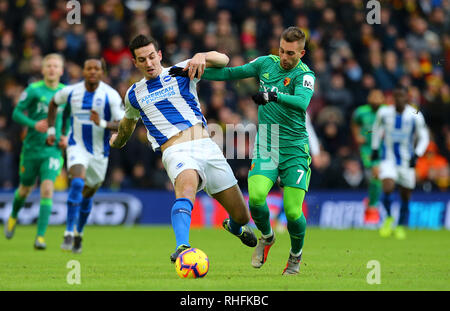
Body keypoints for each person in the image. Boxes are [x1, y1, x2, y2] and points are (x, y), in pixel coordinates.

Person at [171, 26, 315, 275]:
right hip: (267, 143)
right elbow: (230, 73)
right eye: (281, 50)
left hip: (294, 148)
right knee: (257, 198)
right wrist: (193, 74)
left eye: (290, 53)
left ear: (301, 53)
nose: (284, 57)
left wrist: (273, 96)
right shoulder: (265, 63)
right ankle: (267, 237)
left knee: (293, 212)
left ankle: (295, 256)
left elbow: (302, 103)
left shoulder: (306, 76)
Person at [109, 34, 257, 263]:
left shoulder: (181, 70)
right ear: (134, 63)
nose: (148, 63)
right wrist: (117, 140)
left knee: (242, 215)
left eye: (151, 57)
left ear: (159, 55)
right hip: (175, 151)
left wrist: (202, 55)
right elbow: (127, 125)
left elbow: (224, 60)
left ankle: (234, 227)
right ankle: (182, 247)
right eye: (142, 60)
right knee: (187, 185)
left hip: (207, 146)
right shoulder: (133, 94)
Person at [46, 58, 124, 253]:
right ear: (83, 71)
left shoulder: (110, 95)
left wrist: (103, 123)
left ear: (102, 72)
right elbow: (53, 104)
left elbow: (122, 124)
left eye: (96, 68)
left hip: (99, 153)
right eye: (88, 68)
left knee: (88, 196)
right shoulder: (72, 91)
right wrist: (51, 131)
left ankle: (79, 233)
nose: (92, 71)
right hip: (76, 145)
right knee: (77, 183)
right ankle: (68, 233)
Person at [4, 53, 69, 250]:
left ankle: (40, 237)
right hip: (31, 149)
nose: (51, 68)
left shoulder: (66, 93)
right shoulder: (33, 90)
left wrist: (67, 136)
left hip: (52, 149)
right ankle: (13, 216)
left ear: (61, 71)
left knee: (47, 188)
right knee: (24, 189)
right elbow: (16, 113)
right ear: (42, 70)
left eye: (55, 66)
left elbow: (69, 118)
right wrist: (33, 124)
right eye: (48, 65)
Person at [371, 85, 429, 239]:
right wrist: (375, 148)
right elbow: (376, 129)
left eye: (402, 96)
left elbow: (424, 137)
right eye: (396, 96)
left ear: (407, 97)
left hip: (406, 160)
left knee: (405, 195)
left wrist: (417, 154)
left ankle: (401, 225)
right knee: (388, 186)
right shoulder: (384, 112)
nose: (399, 99)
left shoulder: (415, 114)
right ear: (392, 97)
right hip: (388, 158)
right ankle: (389, 218)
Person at [351, 89, 385, 224]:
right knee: (374, 176)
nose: (376, 100)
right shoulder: (361, 111)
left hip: (382, 148)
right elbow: (354, 123)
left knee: (377, 176)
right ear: (369, 99)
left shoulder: (386, 111)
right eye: (373, 97)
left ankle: (372, 205)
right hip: (366, 148)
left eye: (379, 97)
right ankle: (372, 205)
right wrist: (357, 136)